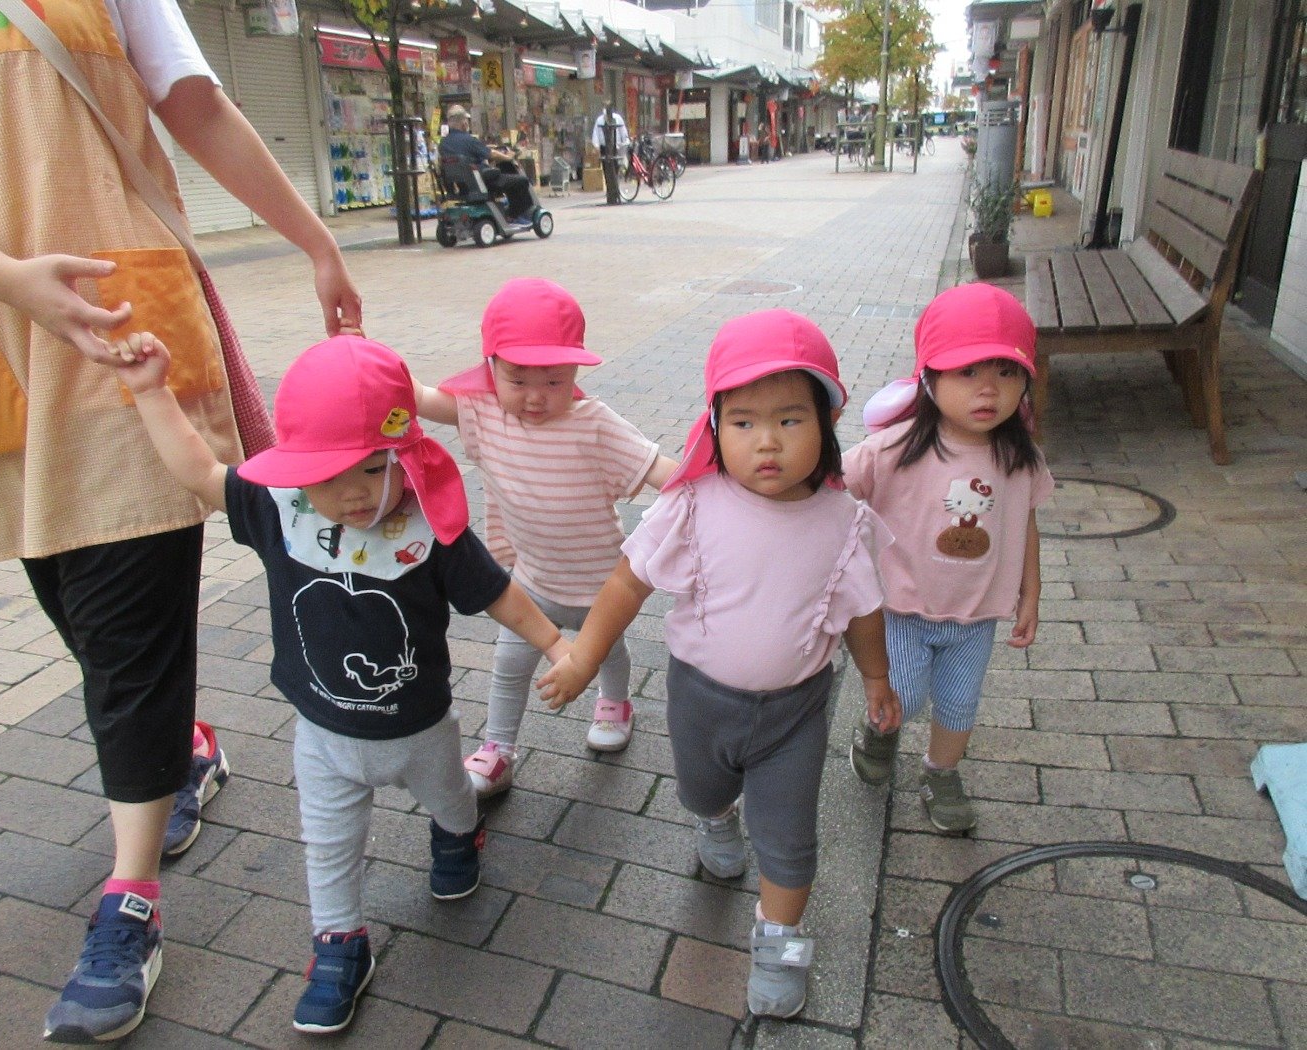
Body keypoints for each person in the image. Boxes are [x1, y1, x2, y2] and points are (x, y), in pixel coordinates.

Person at [0, 2, 361, 1042]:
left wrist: (316, 239)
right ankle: (180, 747)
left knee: (125, 629)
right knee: (72, 603)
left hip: (120, 323)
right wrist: (6, 279)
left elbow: (193, 104)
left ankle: (130, 901)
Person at [112, 330, 571, 1034]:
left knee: (452, 797)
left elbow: (497, 593)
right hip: (322, 735)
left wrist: (556, 644)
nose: (352, 493)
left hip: (421, 727)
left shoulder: (429, 526)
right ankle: (338, 941)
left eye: (373, 468)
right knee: (327, 847)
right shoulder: (281, 509)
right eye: (327, 476)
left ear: (405, 455)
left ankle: (458, 838)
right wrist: (151, 392)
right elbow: (201, 472)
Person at [539, 310, 902, 1019]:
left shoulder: (843, 521)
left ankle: (780, 940)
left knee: (789, 836)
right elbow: (627, 583)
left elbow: (863, 610)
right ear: (714, 426)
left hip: (797, 712)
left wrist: (877, 677)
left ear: (827, 424)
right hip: (700, 701)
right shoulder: (694, 505)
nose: (767, 441)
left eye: (790, 420)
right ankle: (714, 819)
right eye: (743, 422)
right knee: (703, 790)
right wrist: (584, 657)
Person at [415, 278, 678, 796]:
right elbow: (419, 397)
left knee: (608, 650)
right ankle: (498, 748)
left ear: (575, 372)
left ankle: (615, 703)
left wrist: (714, 488)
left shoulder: (594, 423)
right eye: (517, 380)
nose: (535, 397)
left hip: (603, 584)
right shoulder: (483, 412)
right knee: (510, 664)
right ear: (490, 366)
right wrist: (365, 354)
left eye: (554, 381)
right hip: (531, 581)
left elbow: (657, 469)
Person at [844, 284, 1053, 833]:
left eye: (1006, 372)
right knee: (904, 695)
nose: (988, 388)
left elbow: (1024, 522)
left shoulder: (1020, 458)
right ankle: (879, 734)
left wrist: (1030, 594)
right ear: (928, 377)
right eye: (967, 371)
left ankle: (941, 773)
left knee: (960, 705)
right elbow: (831, 488)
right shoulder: (893, 448)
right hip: (901, 610)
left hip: (978, 616)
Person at [439, 104, 535, 227]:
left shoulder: (444, 144)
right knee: (521, 181)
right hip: (481, 182)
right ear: (464, 123)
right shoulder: (469, 140)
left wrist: (487, 148)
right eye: (466, 121)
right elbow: (491, 154)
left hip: (463, 186)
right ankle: (515, 215)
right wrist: (508, 157)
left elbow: (476, 151)